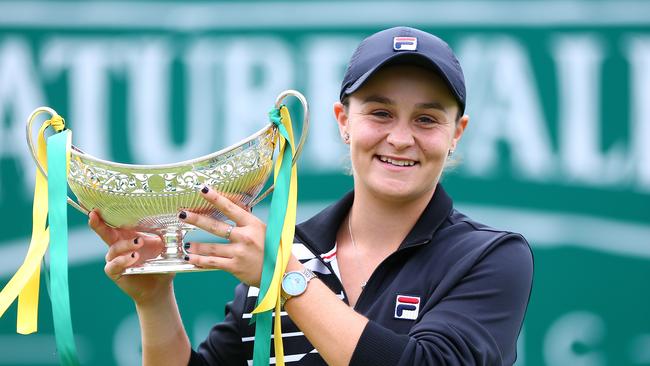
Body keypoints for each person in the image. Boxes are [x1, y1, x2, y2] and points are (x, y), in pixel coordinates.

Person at [90, 26, 533, 365]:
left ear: (457, 133)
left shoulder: (490, 257)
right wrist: (154, 302)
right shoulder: (289, 250)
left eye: (426, 119)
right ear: (343, 121)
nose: (400, 138)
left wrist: (286, 280)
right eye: (380, 113)